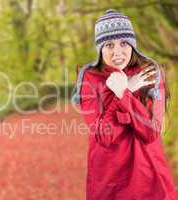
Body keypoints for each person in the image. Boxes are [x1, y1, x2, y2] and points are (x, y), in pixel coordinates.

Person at [71, 9, 178, 199]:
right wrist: (125, 91)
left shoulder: (149, 73)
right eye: (109, 45)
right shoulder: (89, 78)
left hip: (148, 178)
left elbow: (151, 132)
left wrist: (123, 92)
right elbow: (104, 135)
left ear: (133, 44)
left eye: (123, 43)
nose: (117, 52)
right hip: (109, 180)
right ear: (100, 49)